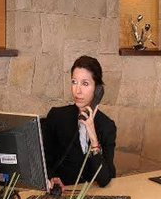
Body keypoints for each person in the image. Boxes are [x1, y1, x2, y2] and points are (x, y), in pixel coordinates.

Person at [43, 55, 116, 189]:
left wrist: (93, 137)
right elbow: (43, 160)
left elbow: (105, 179)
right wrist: (52, 178)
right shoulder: (57, 117)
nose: (78, 90)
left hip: (92, 195)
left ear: (97, 89)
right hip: (62, 194)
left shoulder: (107, 126)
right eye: (74, 82)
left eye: (85, 83)